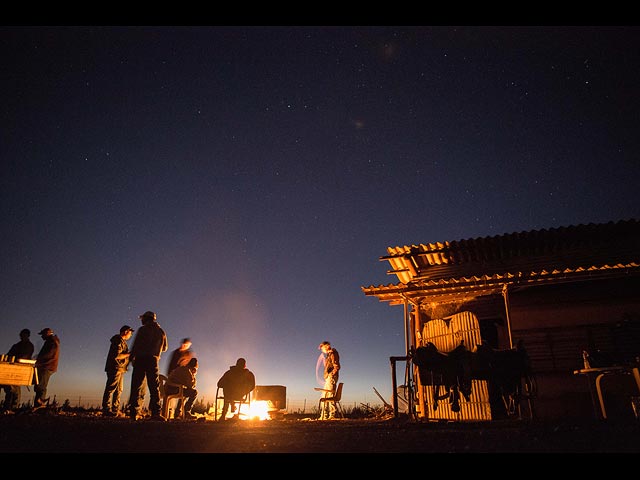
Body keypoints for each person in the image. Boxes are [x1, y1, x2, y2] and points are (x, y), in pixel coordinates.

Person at [127, 311, 168, 421]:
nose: (141, 320)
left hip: (141, 359)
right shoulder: (161, 331)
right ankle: (156, 413)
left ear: (146, 319)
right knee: (154, 387)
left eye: (143, 318)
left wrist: (130, 359)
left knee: (136, 385)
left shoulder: (143, 330)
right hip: (153, 360)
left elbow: (136, 345)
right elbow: (165, 348)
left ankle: (133, 413)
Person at [101, 325, 134, 417]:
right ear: (125, 332)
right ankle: (106, 409)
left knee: (119, 390)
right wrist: (128, 354)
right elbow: (117, 356)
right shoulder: (118, 341)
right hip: (115, 368)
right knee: (111, 388)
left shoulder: (121, 342)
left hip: (120, 368)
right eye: (130, 333)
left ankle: (115, 409)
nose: (130, 335)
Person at [1, 328, 35, 412]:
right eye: (21, 335)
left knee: (14, 388)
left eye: (23, 335)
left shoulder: (29, 346)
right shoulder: (16, 345)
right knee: (8, 387)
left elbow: (25, 356)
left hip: (20, 368)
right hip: (10, 367)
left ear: (27, 335)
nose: (21, 336)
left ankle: (13, 407)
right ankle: (7, 406)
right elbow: (9, 354)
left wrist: (17, 360)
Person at [34, 327, 60, 408]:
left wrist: (38, 359)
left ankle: (40, 403)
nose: (42, 336)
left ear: (47, 334)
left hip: (47, 366)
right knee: (40, 385)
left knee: (41, 385)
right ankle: (38, 404)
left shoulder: (52, 342)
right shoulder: (51, 341)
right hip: (46, 365)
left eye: (42, 334)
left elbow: (49, 354)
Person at [318, 340, 340, 420]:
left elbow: (336, 366)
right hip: (328, 378)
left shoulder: (333, 353)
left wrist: (332, 374)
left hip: (331, 378)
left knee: (330, 395)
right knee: (324, 396)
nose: (322, 350)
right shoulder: (329, 355)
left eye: (322, 348)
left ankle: (332, 415)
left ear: (326, 346)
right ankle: (324, 415)